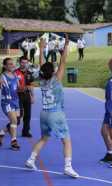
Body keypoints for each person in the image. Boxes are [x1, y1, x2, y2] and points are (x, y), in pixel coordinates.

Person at [25, 35, 79, 178]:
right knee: (66, 140)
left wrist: (41, 48)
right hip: (56, 114)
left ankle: (31, 159)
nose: (56, 67)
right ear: (53, 71)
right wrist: (66, 45)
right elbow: (63, 61)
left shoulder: (42, 79)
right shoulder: (56, 79)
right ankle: (68, 166)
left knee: (44, 138)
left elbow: (42, 64)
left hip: (44, 113)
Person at [0, 58, 20, 151]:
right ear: (5, 66)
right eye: (9, 64)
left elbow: (17, 88)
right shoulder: (2, 76)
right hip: (7, 102)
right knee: (14, 121)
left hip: (15, 101)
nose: (12, 65)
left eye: (13, 64)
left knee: (17, 121)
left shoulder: (15, 75)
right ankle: (14, 142)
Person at [15, 56, 35, 137]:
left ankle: (25, 131)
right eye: (22, 62)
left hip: (27, 95)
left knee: (28, 115)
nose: (24, 64)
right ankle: (7, 129)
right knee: (18, 116)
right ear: (19, 62)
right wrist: (20, 88)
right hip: (18, 96)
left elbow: (31, 85)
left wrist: (32, 96)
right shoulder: (15, 73)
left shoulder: (29, 73)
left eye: (25, 62)